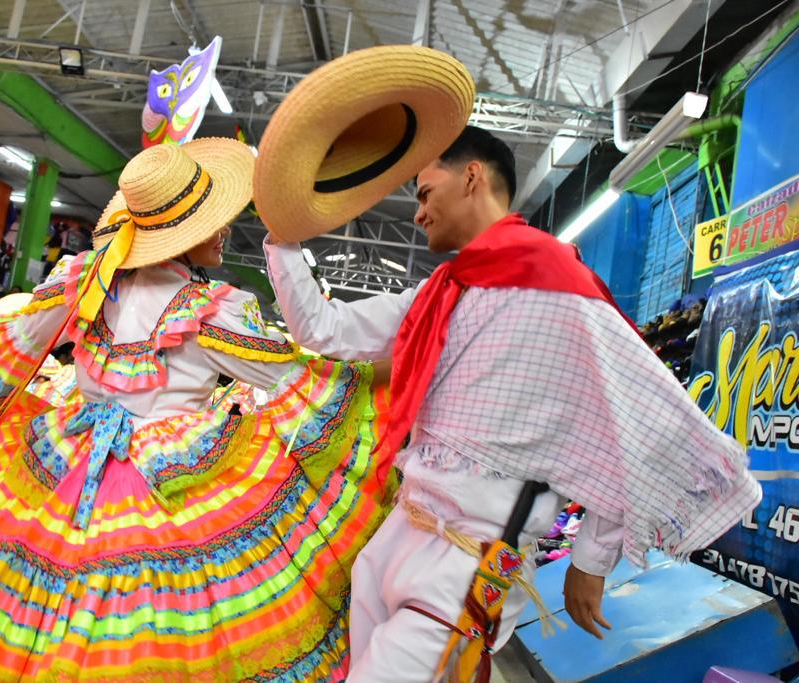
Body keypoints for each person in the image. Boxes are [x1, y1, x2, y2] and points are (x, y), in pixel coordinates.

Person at [0, 138, 393, 681]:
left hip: (57, 468)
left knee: (16, 606)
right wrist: (390, 375)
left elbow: (5, 348)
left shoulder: (86, 281)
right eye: (217, 220)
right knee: (142, 628)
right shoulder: (213, 308)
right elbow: (299, 380)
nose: (225, 230)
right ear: (189, 231)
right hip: (163, 489)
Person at [262, 126, 761, 681]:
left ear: (471, 176)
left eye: (425, 193)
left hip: (469, 561)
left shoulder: (558, 287)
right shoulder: (440, 294)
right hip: (398, 535)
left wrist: (591, 561)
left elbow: (638, 426)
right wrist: (281, 238)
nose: (417, 214)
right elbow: (322, 328)